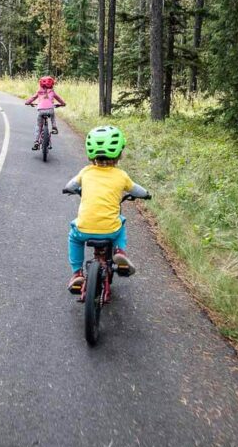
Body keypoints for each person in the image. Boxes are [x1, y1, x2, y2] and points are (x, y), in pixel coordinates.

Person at [63, 126, 150, 299]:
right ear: (119, 154)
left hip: (84, 229)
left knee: (73, 237)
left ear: (90, 154)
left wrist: (69, 189)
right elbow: (137, 190)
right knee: (121, 222)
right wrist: (146, 194)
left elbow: (70, 186)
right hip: (110, 230)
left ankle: (77, 273)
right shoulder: (121, 175)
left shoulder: (85, 172)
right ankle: (119, 251)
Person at [24, 76, 66, 150]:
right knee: (52, 116)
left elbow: (32, 98)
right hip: (50, 110)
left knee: (38, 126)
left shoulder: (39, 92)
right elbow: (59, 99)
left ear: (41, 84)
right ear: (52, 84)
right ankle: (54, 127)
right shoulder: (52, 91)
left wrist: (27, 102)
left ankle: (36, 141)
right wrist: (63, 104)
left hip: (41, 111)